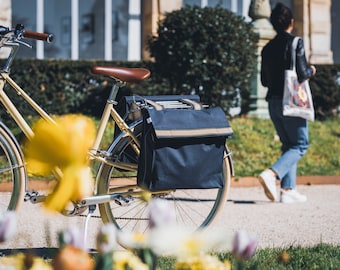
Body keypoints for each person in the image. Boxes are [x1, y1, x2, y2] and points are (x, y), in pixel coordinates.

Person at [259, 2, 316, 203]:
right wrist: (312, 70)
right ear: (291, 22)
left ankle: (288, 190)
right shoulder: (295, 42)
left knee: (288, 145)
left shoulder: (266, 48)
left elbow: (264, 81)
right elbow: (302, 73)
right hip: (291, 102)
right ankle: (272, 174)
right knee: (300, 144)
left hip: (273, 103)